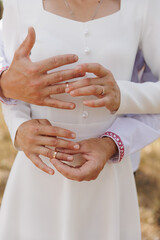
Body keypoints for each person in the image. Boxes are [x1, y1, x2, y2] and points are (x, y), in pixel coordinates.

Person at [0, 0, 160, 239]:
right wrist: (19, 127)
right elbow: (10, 76)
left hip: (110, 181)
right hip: (38, 174)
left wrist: (122, 98)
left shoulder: (144, 5)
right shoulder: (19, 3)